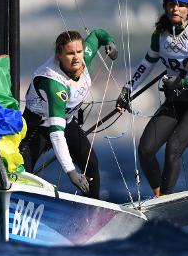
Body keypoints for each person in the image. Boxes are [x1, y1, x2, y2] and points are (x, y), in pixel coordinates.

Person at [116, 0, 188, 196]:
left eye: (182, 5)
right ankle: (160, 197)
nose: (176, 8)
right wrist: (127, 89)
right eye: (171, 4)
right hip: (176, 101)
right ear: (165, 7)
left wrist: (183, 83)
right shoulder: (160, 35)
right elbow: (147, 63)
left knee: (174, 148)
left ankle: (165, 198)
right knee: (145, 150)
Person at [20, 29, 118, 198]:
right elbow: (57, 135)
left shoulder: (84, 57)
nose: (76, 57)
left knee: (91, 164)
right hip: (36, 127)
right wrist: (71, 173)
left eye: (79, 52)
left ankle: (93, 212)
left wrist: (110, 41)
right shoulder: (54, 83)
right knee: (23, 176)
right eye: (70, 53)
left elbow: (96, 35)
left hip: (66, 121)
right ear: (59, 55)